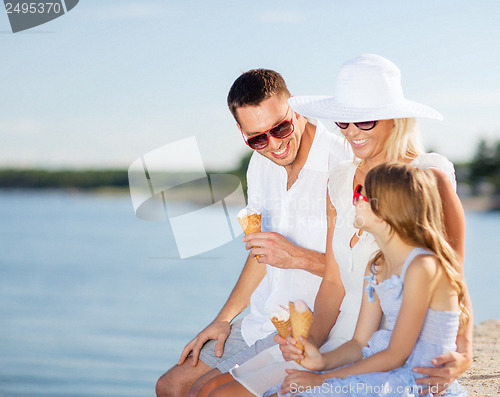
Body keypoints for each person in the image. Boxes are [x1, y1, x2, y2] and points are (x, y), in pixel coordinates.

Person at [200, 54, 472, 397]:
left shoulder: (428, 178)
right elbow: (332, 281)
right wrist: (308, 348)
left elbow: (455, 280)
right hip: (344, 338)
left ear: (395, 118)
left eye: (365, 122)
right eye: (344, 123)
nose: (352, 134)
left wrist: (463, 351)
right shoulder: (341, 180)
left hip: (393, 348)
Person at [155, 69, 352, 397]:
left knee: (206, 393)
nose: (274, 145)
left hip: (321, 328)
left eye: (281, 128)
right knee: (170, 386)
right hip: (263, 320)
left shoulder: (342, 164)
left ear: (296, 110)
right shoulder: (260, 164)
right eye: (257, 138)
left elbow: (365, 270)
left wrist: (297, 257)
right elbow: (263, 253)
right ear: (241, 132)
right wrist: (224, 318)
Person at [266, 163, 469, 397]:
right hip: (387, 371)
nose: (355, 200)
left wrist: (321, 381)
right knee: (281, 392)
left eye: (361, 194)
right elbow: (359, 343)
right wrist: (320, 361)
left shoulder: (423, 267)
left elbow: (396, 355)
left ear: (389, 208)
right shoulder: (377, 266)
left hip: (416, 382)